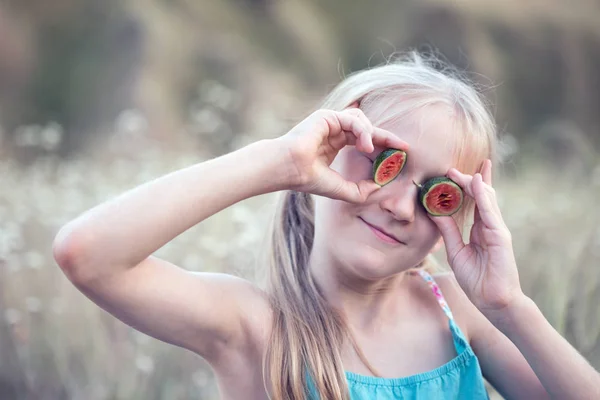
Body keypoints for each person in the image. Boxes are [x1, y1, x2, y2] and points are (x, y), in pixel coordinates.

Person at [52, 52, 600, 400]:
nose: (400, 206)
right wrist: (277, 164)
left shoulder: (460, 313)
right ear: (324, 156)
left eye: (437, 193)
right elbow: (87, 254)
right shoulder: (256, 327)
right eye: (384, 161)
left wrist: (511, 307)